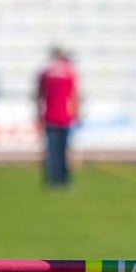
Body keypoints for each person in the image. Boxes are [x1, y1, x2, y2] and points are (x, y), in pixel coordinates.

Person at [37, 47, 79, 187]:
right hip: (65, 116)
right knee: (64, 150)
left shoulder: (46, 72)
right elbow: (74, 95)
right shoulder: (69, 71)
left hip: (50, 116)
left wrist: (39, 114)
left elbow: (39, 95)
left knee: (52, 150)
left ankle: (51, 179)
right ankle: (64, 179)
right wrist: (76, 114)